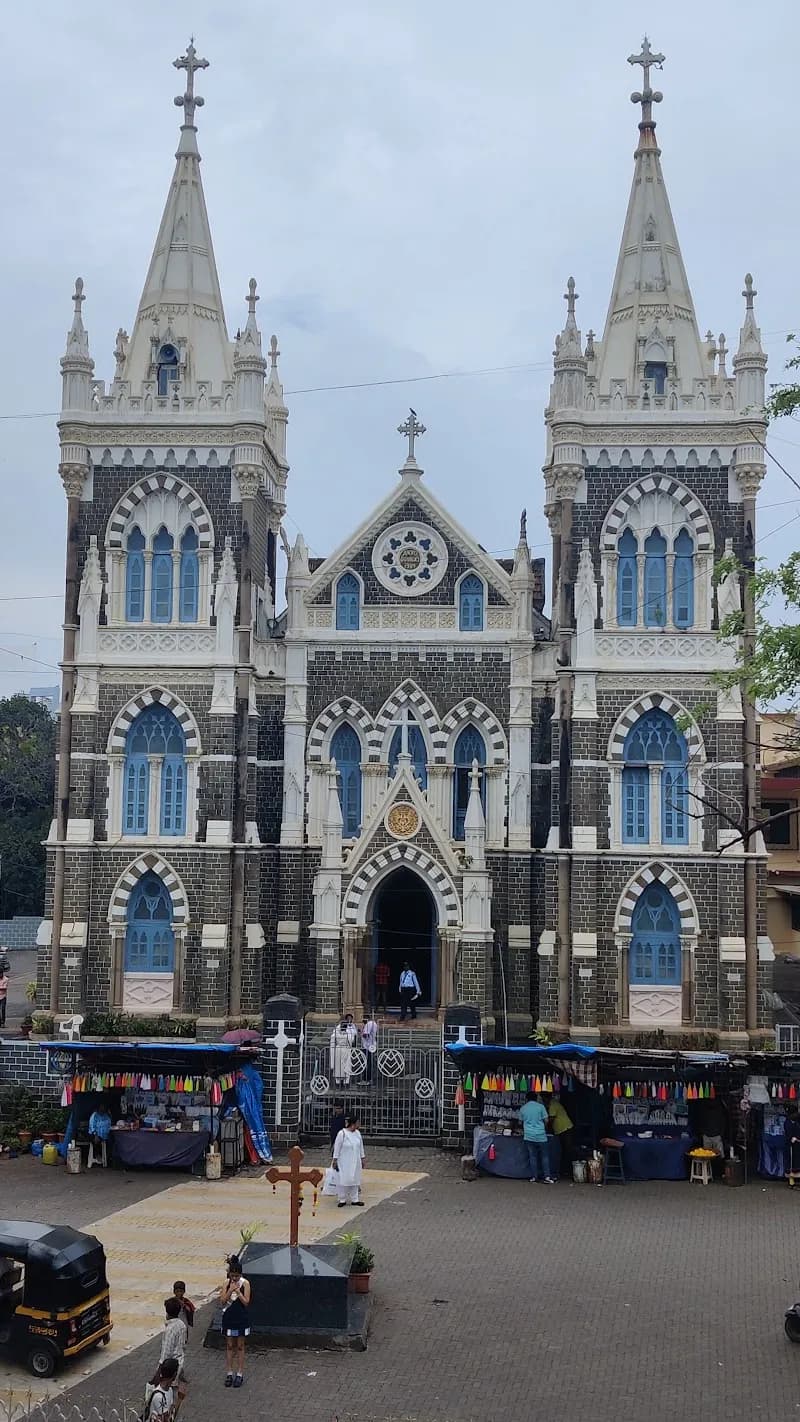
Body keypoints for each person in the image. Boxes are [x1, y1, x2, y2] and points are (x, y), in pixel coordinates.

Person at [220, 1255, 251, 1388]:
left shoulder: (245, 1284)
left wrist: (238, 1292)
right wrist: (230, 1290)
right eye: (232, 1275)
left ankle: (239, 1373)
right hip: (229, 1317)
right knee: (229, 1345)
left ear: (240, 1275)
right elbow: (222, 1301)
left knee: (240, 1346)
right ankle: (229, 1372)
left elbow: (246, 1302)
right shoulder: (226, 1283)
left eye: (236, 1276)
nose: (234, 1278)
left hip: (241, 1317)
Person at [519, 1091, 555, 1183]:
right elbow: (546, 1120)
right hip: (541, 1135)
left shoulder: (523, 1108)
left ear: (527, 1099)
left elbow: (520, 1122)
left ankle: (534, 1177)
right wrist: (543, 1127)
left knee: (532, 1156)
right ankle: (547, 1177)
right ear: (536, 1098)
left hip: (529, 1136)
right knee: (545, 1156)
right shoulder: (541, 1107)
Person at [159, 1298, 188, 1410]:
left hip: (169, 1366)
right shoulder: (181, 1325)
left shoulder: (170, 1329)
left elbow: (166, 1352)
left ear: (167, 1312)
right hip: (179, 1362)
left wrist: (158, 1372)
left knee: (166, 1391)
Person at [332, 1112, 366, 1207]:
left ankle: (355, 1199)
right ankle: (342, 1199)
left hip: (355, 1160)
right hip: (344, 1161)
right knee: (343, 1179)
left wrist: (363, 1158)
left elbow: (361, 1147)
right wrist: (335, 1160)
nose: (359, 1125)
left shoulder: (358, 1133)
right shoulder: (342, 1133)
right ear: (353, 1124)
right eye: (358, 1123)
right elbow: (337, 1148)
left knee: (355, 1178)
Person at [543, 1092, 575, 1177]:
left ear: (546, 1098)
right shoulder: (552, 1104)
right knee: (564, 1150)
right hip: (561, 1129)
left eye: (544, 1099)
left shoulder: (553, 1105)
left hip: (565, 1128)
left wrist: (545, 1128)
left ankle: (568, 1171)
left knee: (567, 1150)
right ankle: (565, 1170)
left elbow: (551, 1119)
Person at [145, 1357, 179, 1421]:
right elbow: (167, 1419)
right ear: (174, 1374)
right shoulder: (159, 1397)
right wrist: (180, 1399)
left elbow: (171, 1412)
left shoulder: (169, 1389)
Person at [329, 1013, 358, 1086]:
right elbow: (351, 1040)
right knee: (342, 1065)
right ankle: (343, 1081)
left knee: (343, 1065)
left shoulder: (337, 1033)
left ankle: (340, 1081)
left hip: (340, 1049)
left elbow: (333, 1039)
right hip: (345, 1049)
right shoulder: (346, 1033)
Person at [87, 1101, 113, 1168]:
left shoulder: (106, 1116)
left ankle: (107, 1158)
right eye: (101, 1107)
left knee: (111, 1141)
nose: (103, 1108)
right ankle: (97, 1155)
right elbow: (92, 1126)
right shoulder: (94, 1115)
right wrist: (95, 1134)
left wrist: (110, 1116)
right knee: (96, 1141)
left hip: (104, 1135)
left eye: (104, 1107)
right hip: (94, 1134)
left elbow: (109, 1124)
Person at [361, 1014, 378, 1082]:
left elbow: (366, 1034)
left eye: (363, 1018)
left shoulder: (369, 1023)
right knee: (369, 1062)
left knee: (367, 1062)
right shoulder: (373, 1023)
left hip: (368, 1046)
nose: (362, 1020)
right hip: (371, 1046)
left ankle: (366, 1079)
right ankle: (369, 1078)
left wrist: (361, 1034)